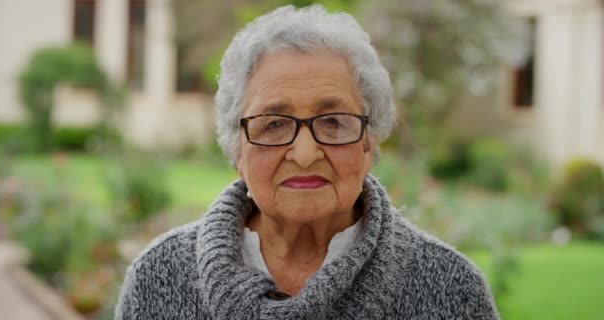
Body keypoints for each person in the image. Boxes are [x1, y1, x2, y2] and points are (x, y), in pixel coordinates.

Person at [115, 5, 499, 319]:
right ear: (237, 150)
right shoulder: (159, 276)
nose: (304, 153)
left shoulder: (452, 291)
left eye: (333, 122)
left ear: (369, 143)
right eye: (275, 124)